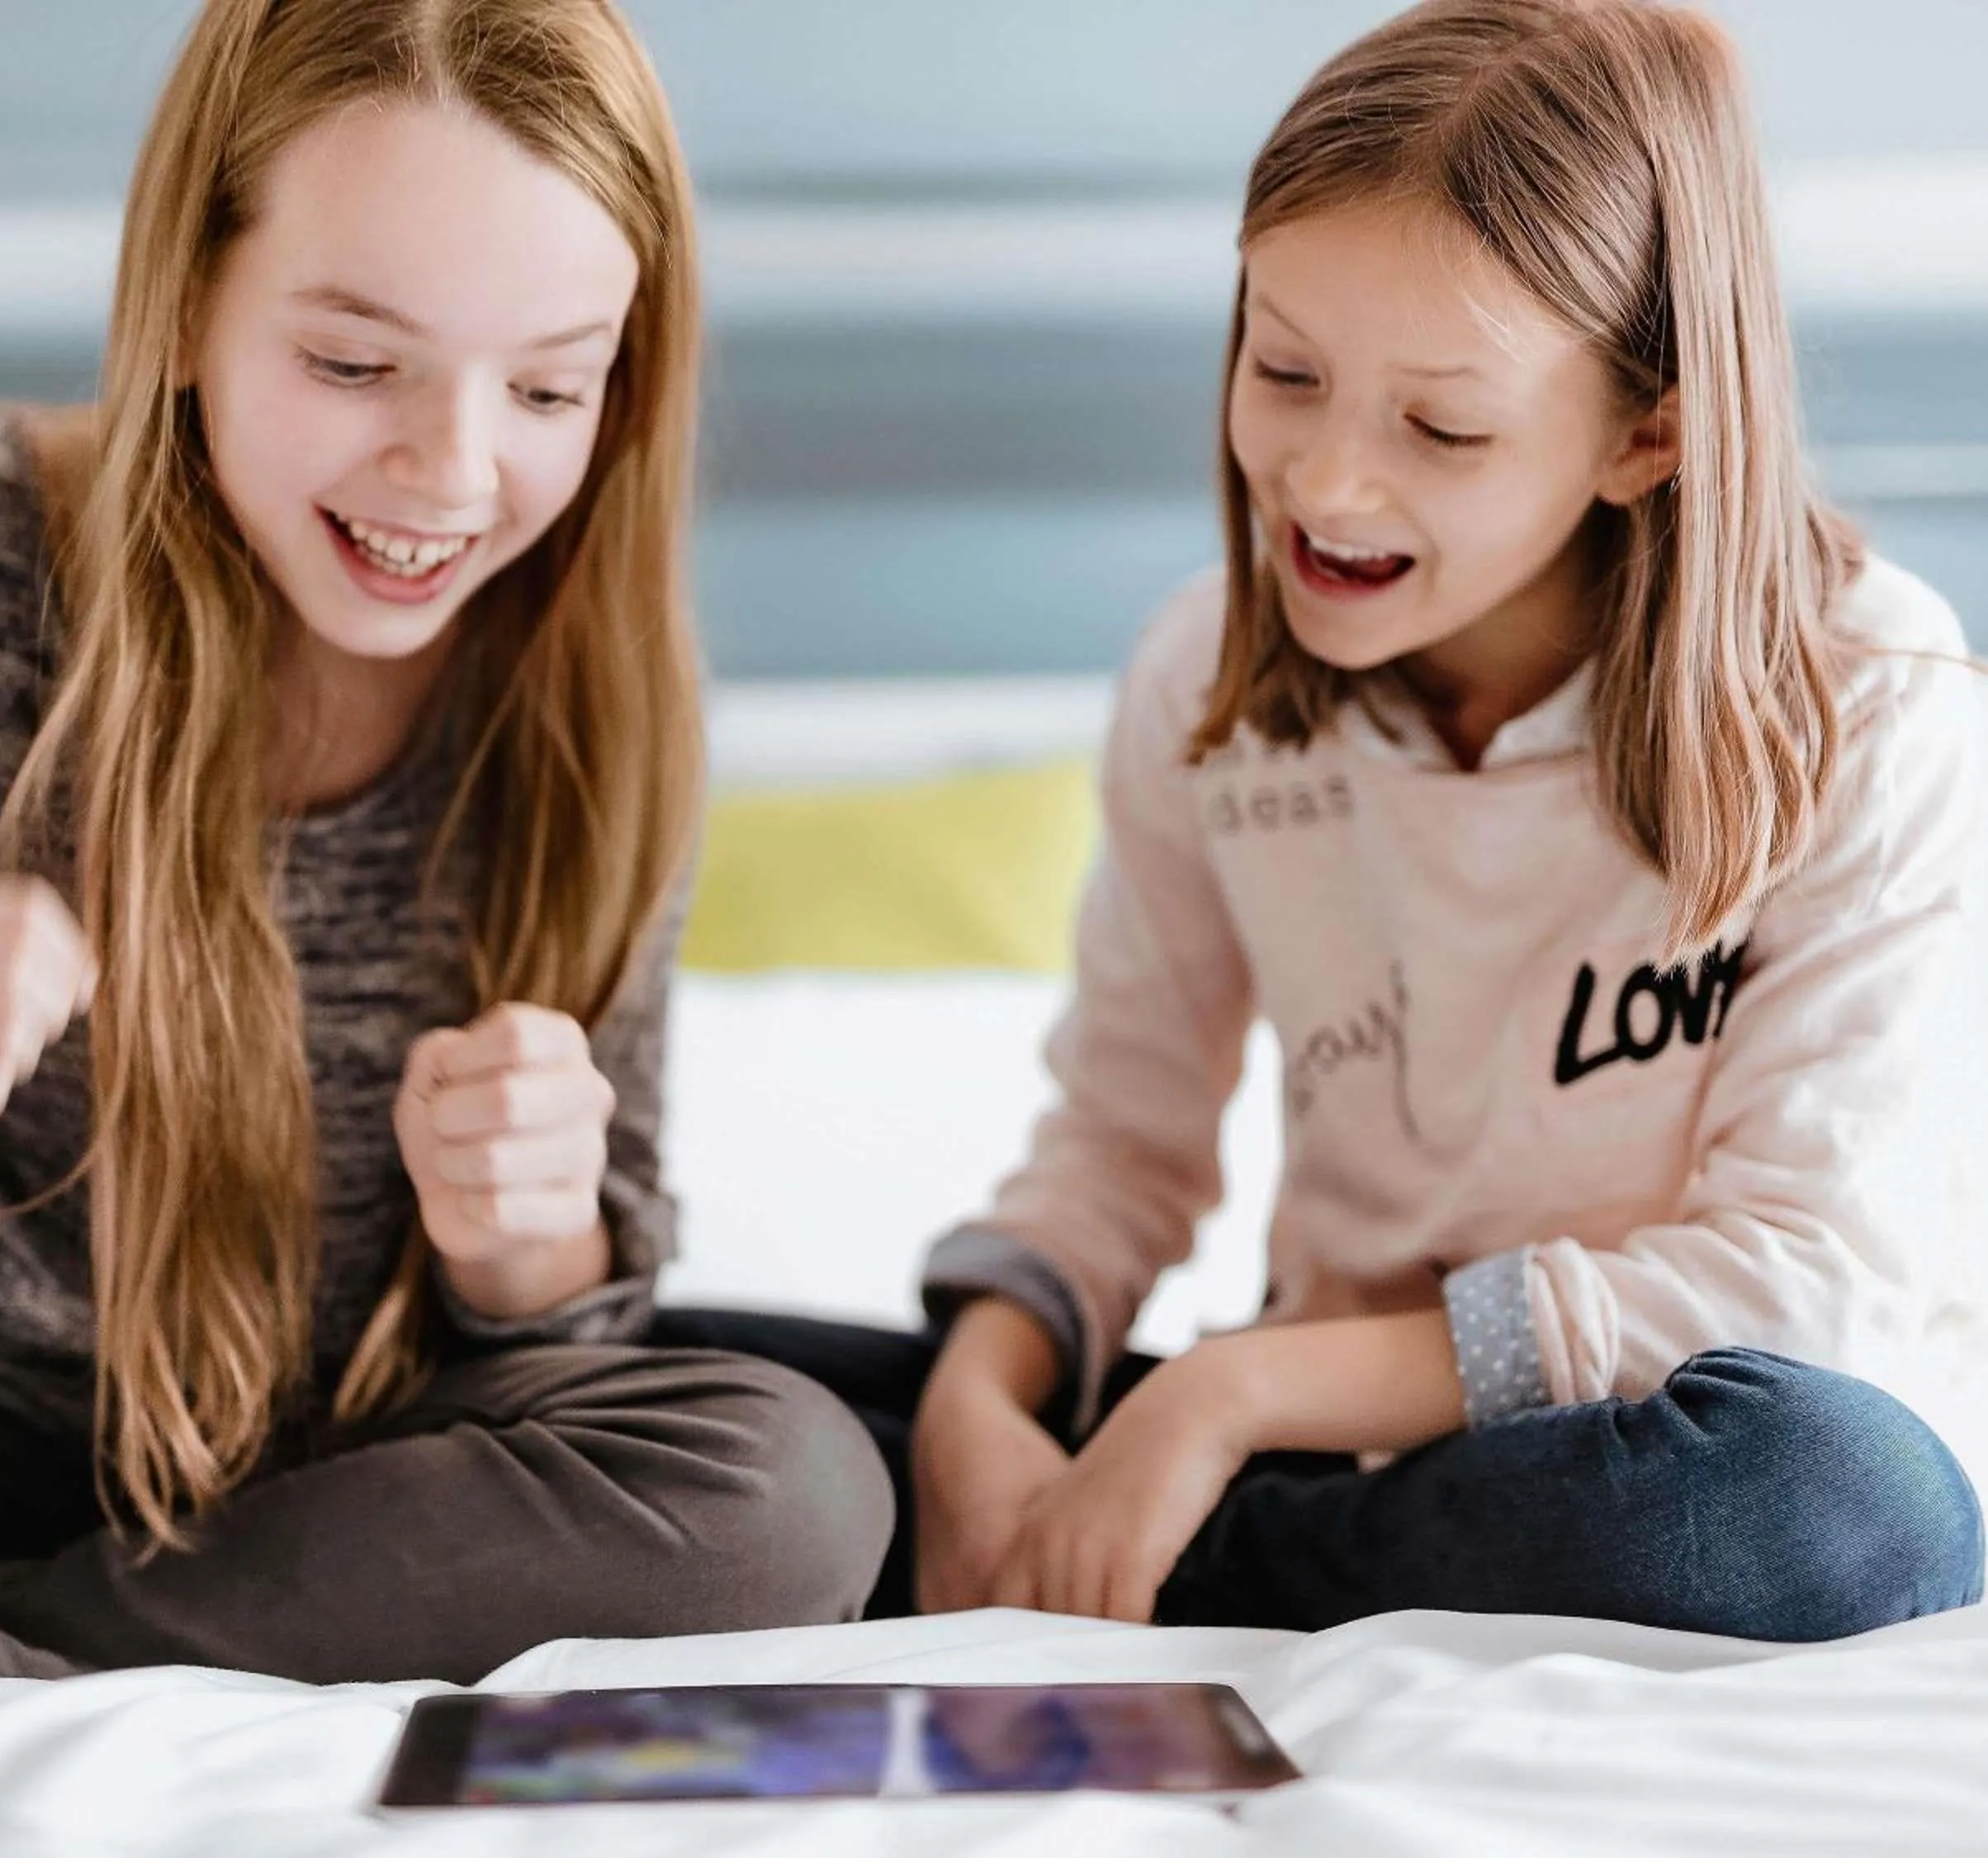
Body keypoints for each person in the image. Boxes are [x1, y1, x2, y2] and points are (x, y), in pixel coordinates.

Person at [0, 0, 888, 1685]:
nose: (452, 471)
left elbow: (577, 1323)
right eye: (355, 363)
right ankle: (71, 1688)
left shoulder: (596, 681)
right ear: (185, 308)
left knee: (794, 1487)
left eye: (546, 384)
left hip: (321, 1488)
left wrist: (526, 1236)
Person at [660, 0, 1985, 1641]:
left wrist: (1220, 1400)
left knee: (1844, 1507)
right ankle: (1050, 1531)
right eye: (1284, 370)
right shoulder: (1203, 682)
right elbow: (1116, 1154)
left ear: (1647, 431)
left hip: (1636, 1454)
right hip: (1320, 1442)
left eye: (1441, 427)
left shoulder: (1872, 698)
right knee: (639, 1366)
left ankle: (1154, 1565)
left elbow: (1807, 1291)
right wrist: (971, 1420)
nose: (1327, 483)